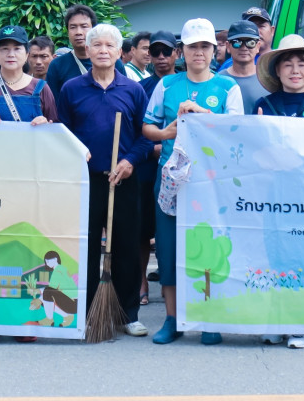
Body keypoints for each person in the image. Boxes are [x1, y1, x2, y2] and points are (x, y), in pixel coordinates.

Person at [143, 18, 243, 345]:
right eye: (192, 46)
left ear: (215, 50)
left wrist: (202, 113)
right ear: (181, 51)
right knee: (169, 250)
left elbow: (237, 132)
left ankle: (208, 317)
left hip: (211, 183)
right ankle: (172, 320)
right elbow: (148, 127)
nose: (198, 52)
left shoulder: (228, 87)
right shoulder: (166, 85)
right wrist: (166, 133)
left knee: (209, 250)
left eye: (204, 46)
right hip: (172, 180)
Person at [56, 24, 150, 339]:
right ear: (88, 50)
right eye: (97, 45)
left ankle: (128, 313)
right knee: (85, 247)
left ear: (119, 51)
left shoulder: (133, 90)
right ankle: (85, 313)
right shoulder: (71, 89)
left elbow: (145, 136)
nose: (103, 50)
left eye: (110, 45)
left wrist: (129, 161)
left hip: (123, 178)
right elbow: (62, 132)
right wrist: (77, 152)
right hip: (86, 180)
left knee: (126, 247)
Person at [250, 35, 304, 350]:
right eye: (288, 64)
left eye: (301, 64)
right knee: (276, 257)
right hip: (274, 197)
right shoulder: (264, 106)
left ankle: (303, 326)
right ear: (277, 70)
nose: (295, 70)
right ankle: (277, 321)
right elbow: (254, 154)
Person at [136, 30, 176, 307]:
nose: (161, 57)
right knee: (143, 228)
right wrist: (153, 148)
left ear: (176, 53)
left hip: (179, 168)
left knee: (170, 229)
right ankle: (141, 283)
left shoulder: (184, 84)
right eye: (155, 52)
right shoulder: (141, 88)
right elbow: (137, 129)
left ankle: (169, 280)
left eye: (166, 52)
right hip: (147, 165)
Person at [45, 4, 126, 98]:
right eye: (73, 27)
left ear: (93, 30)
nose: (78, 32)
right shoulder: (57, 65)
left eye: (84, 26)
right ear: (67, 32)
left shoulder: (113, 62)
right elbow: (52, 103)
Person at [220, 20, 269, 114]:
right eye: (237, 42)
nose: (244, 48)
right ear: (228, 46)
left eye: (250, 42)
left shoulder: (269, 80)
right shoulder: (218, 80)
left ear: (258, 46)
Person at [218, 7, 275, 71]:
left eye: (261, 26)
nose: (256, 31)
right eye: (250, 27)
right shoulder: (229, 65)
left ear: (272, 31)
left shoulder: (280, 61)